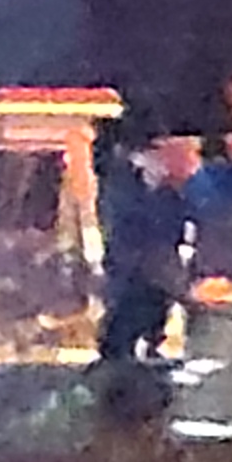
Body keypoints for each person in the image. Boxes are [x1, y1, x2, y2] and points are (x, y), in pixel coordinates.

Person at [92, 129, 189, 414]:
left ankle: (143, 385)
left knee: (150, 319)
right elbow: (120, 230)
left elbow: (175, 231)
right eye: (154, 153)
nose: (161, 161)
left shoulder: (167, 195)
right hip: (130, 272)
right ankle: (118, 390)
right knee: (123, 327)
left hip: (154, 274)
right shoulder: (123, 191)